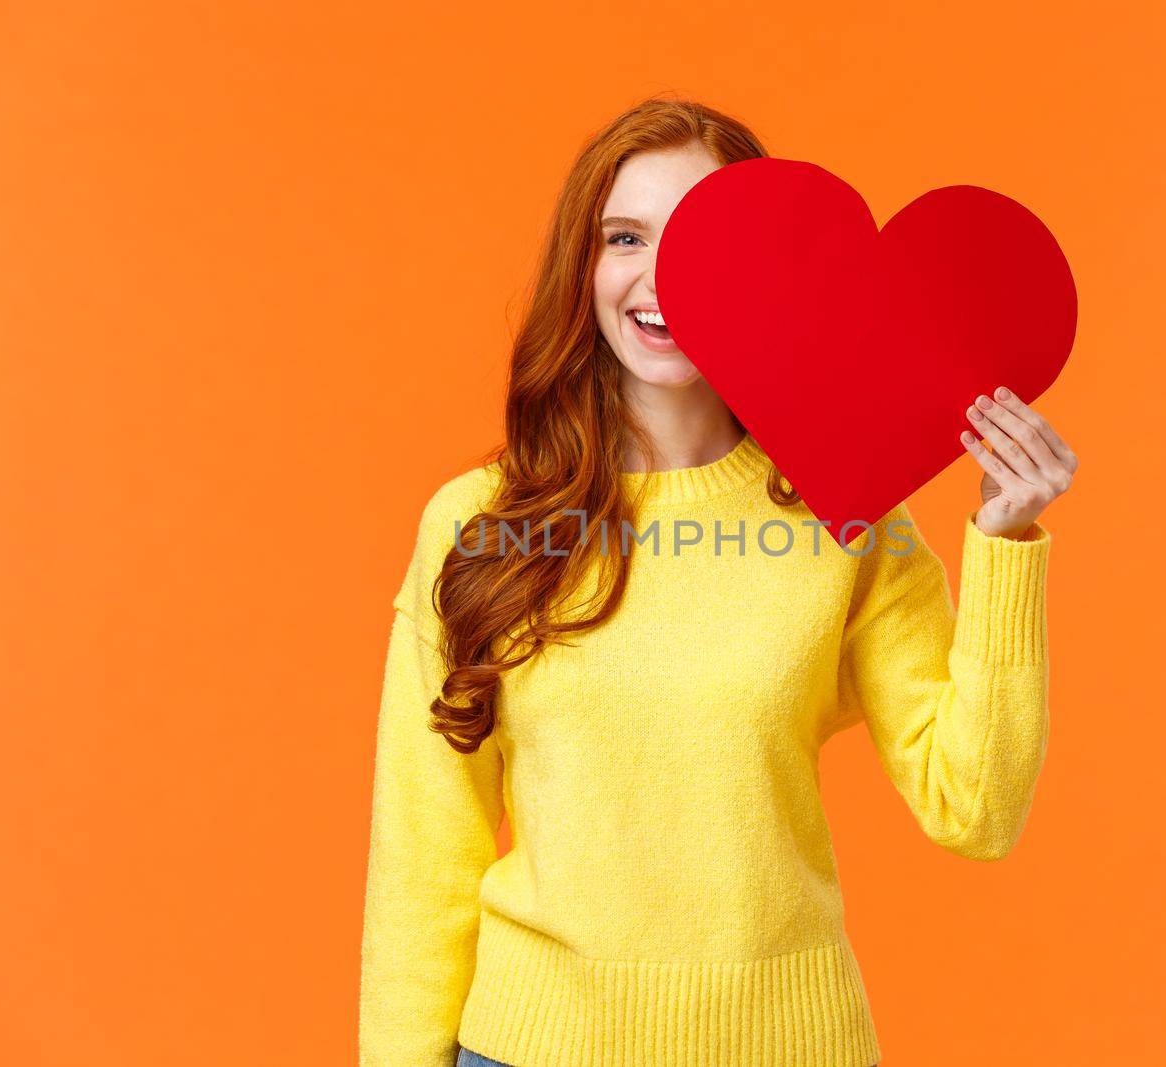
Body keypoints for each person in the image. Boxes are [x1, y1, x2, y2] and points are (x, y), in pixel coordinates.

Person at [359, 96, 1078, 1067]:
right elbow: (424, 857)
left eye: (697, 237)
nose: (658, 278)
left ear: (769, 265)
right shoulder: (479, 522)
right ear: (584, 263)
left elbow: (977, 805)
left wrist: (1006, 539)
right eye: (625, 236)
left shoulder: (847, 512)